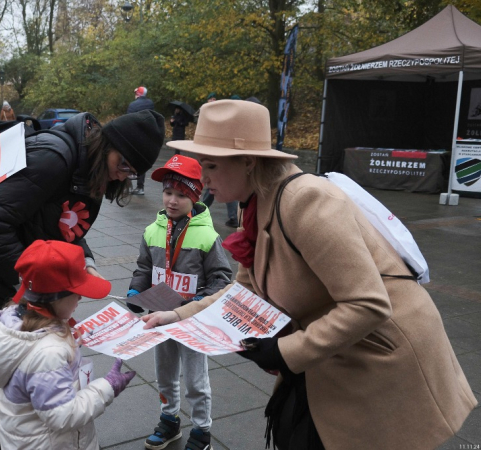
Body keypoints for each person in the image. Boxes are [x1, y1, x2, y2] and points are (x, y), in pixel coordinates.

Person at [144, 100, 477, 450]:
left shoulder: (308, 201)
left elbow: (369, 304)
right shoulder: (254, 202)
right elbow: (243, 291)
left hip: (381, 356)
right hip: (335, 351)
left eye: (210, 165)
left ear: (248, 162)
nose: (203, 178)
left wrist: (285, 352)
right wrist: (178, 315)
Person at [0, 109, 165, 450]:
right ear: (108, 145)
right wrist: (36, 287)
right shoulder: (53, 158)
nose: (122, 177)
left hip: (15, 279)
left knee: (18, 383)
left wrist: (83, 262)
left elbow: (64, 221)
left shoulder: (85, 163)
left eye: (132, 173)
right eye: (124, 165)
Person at [0, 239, 136, 450]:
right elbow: (61, 416)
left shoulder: (8, 324)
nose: (81, 296)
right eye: (76, 291)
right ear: (54, 298)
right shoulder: (49, 352)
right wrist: (107, 387)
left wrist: (66, 330)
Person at [126, 155, 231, 450]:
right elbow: (144, 268)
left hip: (191, 321)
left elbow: (221, 278)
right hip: (159, 317)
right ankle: (169, 420)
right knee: (165, 375)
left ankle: (201, 431)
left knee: (196, 382)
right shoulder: (152, 230)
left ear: (195, 196)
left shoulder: (208, 236)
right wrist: (136, 291)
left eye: (182, 195)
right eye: (168, 192)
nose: (172, 200)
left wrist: (199, 300)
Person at [196, 93, 239, 228]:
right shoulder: (236, 120)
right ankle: (232, 216)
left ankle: (201, 210)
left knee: (217, 184)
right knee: (220, 185)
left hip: (222, 156)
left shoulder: (225, 119)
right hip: (228, 157)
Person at [127, 86, 155, 195]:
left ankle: (128, 186)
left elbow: (128, 120)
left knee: (129, 160)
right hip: (146, 135)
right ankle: (140, 187)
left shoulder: (132, 105)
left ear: (138, 94)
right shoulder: (150, 103)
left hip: (134, 135)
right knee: (142, 161)